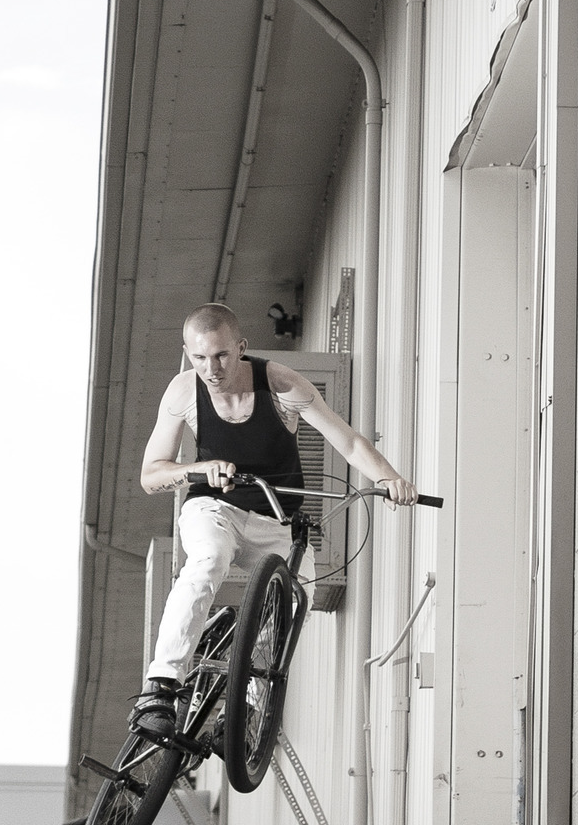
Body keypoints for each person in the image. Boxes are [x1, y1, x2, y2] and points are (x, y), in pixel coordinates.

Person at [131, 302, 417, 738]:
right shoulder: (183, 391)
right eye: (200, 357)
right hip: (215, 509)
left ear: (241, 347)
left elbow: (348, 442)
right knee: (208, 559)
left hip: (278, 519)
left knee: (297, 598)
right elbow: (151, 475)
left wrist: (389, 478)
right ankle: (161, 686)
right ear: (187, 354)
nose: (212, 369)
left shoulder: (281, 384)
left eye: (222, 355)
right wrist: (198, 470)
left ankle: (244, 712)